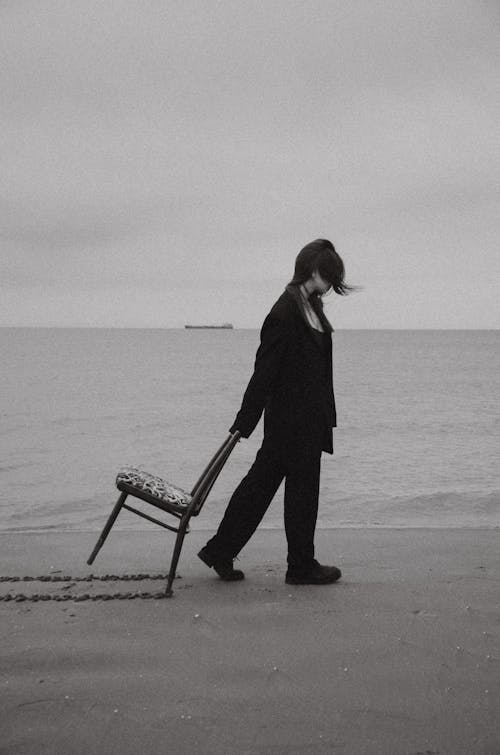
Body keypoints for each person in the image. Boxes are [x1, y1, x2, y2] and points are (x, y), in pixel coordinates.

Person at [198, 239, 353, 585]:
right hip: (288, 423)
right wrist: (245, 421)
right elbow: (264, 371)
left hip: (307, 421)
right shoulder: (285, 312)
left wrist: (325, 414)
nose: (331, 284)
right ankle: (298, 566)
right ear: (314, 271)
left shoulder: (310, 306)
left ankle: (223, 551)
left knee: (273, 489)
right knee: (282, 491)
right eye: (329, 275)